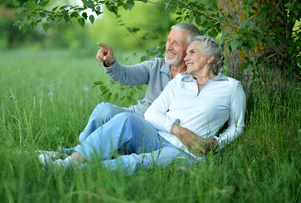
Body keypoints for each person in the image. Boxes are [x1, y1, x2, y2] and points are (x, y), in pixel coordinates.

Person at [39, 36, 246, 174]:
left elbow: (237, 126)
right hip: (157, 135)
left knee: (134, 163)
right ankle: (68, 163)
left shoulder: (231, 87)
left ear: (209, 58)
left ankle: (74, 170)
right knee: (124, 119)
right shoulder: (179, 82)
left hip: (186, 153)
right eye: (187, 52)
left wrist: (218, 143)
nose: (186, 57)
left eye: (193, 52)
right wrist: (178, 130)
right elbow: (152, 113)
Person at [52, 23, 203, 156]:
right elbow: (125, 75)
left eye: (176, 42)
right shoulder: (156, 66)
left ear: (191, 49)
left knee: (125, 121)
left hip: (157, 130)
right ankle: (79, 151)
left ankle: (77, 155)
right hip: (137, 115)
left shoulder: (196, 79)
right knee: (103, 110)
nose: (169, 46)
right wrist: (111, 63)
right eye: (169, 40)